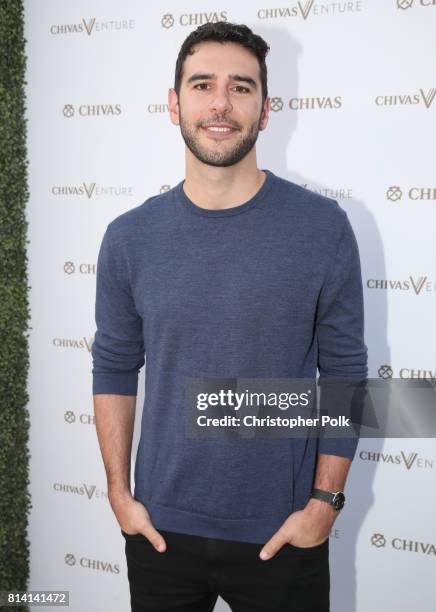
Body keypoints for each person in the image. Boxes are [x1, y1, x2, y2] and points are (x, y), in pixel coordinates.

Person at [91, 21, 367, 612]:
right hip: (160, 531)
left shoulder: (323, 229)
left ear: (266, 110)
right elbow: (114, 367)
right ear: (174, 103)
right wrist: (119, 493)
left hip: (283, 533)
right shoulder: (128, 238)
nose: (221, 103)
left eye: (241, 87)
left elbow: (344, 372)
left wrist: (325, 503)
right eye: (202, 85)